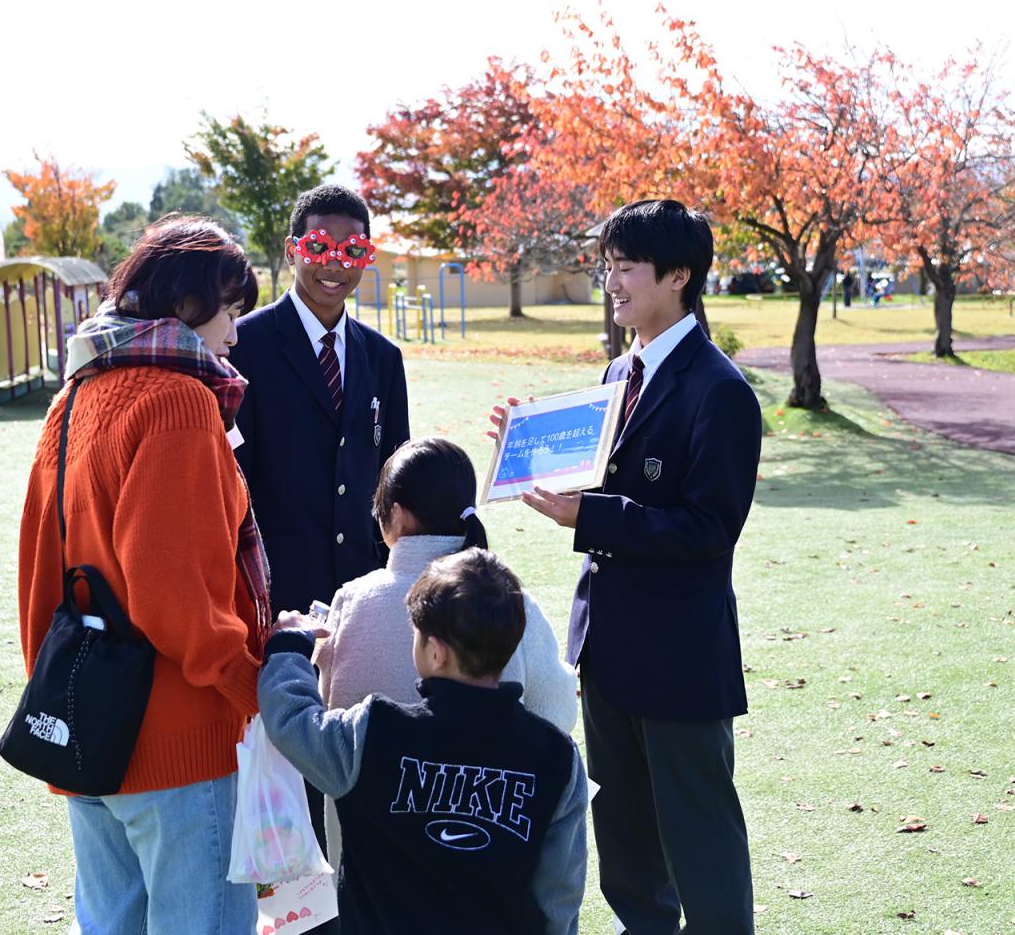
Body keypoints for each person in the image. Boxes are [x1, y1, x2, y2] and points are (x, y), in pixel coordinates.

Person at [493, 199, 762, 934]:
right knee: (624, 823)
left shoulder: (721, 392)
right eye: (606, 264)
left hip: (679, 651)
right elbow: (597, 476)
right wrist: (527, 448)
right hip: (607, 642)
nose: (609, 282)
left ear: (679, 276)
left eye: (625, 266)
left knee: (696, 827)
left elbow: (709, 529)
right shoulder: (619, 371)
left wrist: (591, 515)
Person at [15, 217, 270, 934]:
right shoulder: (180, 402)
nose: (235, 333)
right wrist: (252, 686)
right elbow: (175, 594)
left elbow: (39, 563)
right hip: (178, 738)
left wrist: (53, 679)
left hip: (88, 722)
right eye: (231, 310)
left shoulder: (74, 397)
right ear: (189, 303)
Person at [260, 549, 588, 935]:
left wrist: (288, 648)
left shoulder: (374, 733)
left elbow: (294, 722)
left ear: (436, 652)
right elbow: (560, 894)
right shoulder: (556, 758)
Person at [313, 436, 578, 870]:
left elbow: (327, 720)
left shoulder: (351, 602)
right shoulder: (510, 601)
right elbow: (555, 716)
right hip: (484, 847)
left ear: (394, 515)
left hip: (367, 867)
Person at [229, 183, 410, 617]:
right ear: (292, 251)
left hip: (363, 591)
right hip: (273, 589)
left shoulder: (383, 357)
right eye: (319, 246)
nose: (335, 264)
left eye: (352, 251)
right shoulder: (242, 345)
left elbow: (395, 475)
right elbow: (230, 478)